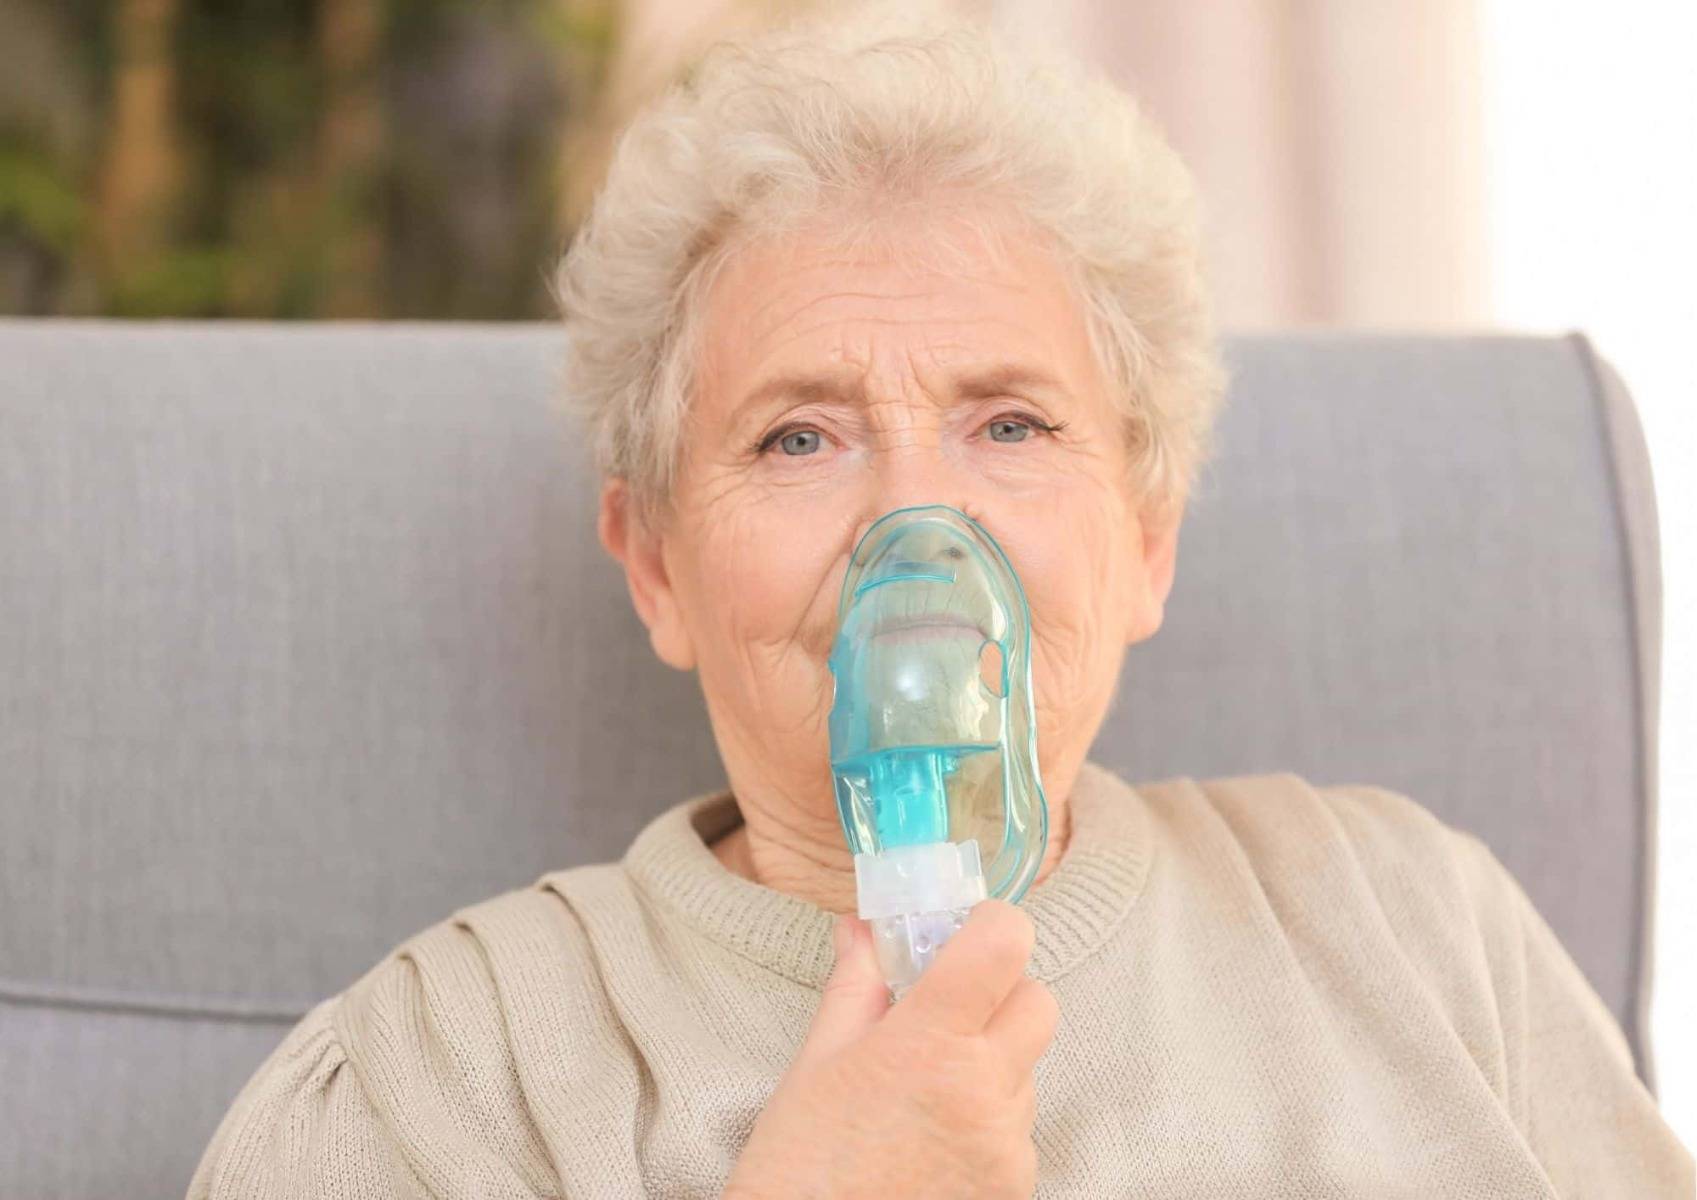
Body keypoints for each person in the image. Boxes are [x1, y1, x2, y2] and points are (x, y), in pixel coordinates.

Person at [186, 4, 1693, 1196]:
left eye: (1010, 425)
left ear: (1147, 538)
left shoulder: (1415, 930)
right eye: (797, 435)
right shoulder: (434, 1083)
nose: (915, 526)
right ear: (655, 565)